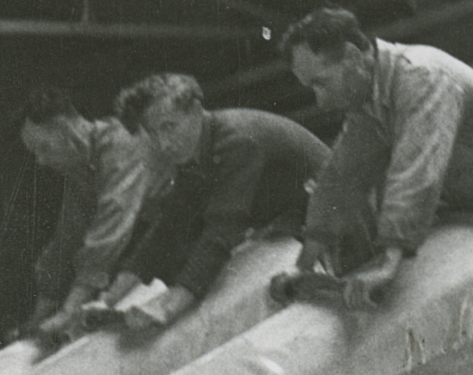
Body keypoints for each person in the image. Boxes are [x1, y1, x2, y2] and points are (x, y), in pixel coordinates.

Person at [280, 6, 473, 307]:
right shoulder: (369, 105)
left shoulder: (421, 76)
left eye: (321, 82)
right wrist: (303, 266)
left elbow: (415, 172)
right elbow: (341, 180)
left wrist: (389, 263)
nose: (320, 102)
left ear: (352, 57)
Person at [98, 73, 330, 329]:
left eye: (169, 127)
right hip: (290, 223)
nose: (164, 144)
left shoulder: (236, 141)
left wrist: (170, 305)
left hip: (333, 227)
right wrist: (109, 299)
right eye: (154, 133)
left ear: (196, 111)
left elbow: (222, 229)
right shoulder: (197, 151)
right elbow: (170, 226)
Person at [17, 87, 158, 341]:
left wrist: (69, 310)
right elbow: (67, 238)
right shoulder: (82, 167)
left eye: (44, 147)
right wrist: (37, 319)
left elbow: (109, 234)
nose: (40, 160)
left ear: (66, 130)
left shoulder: (121, 143)